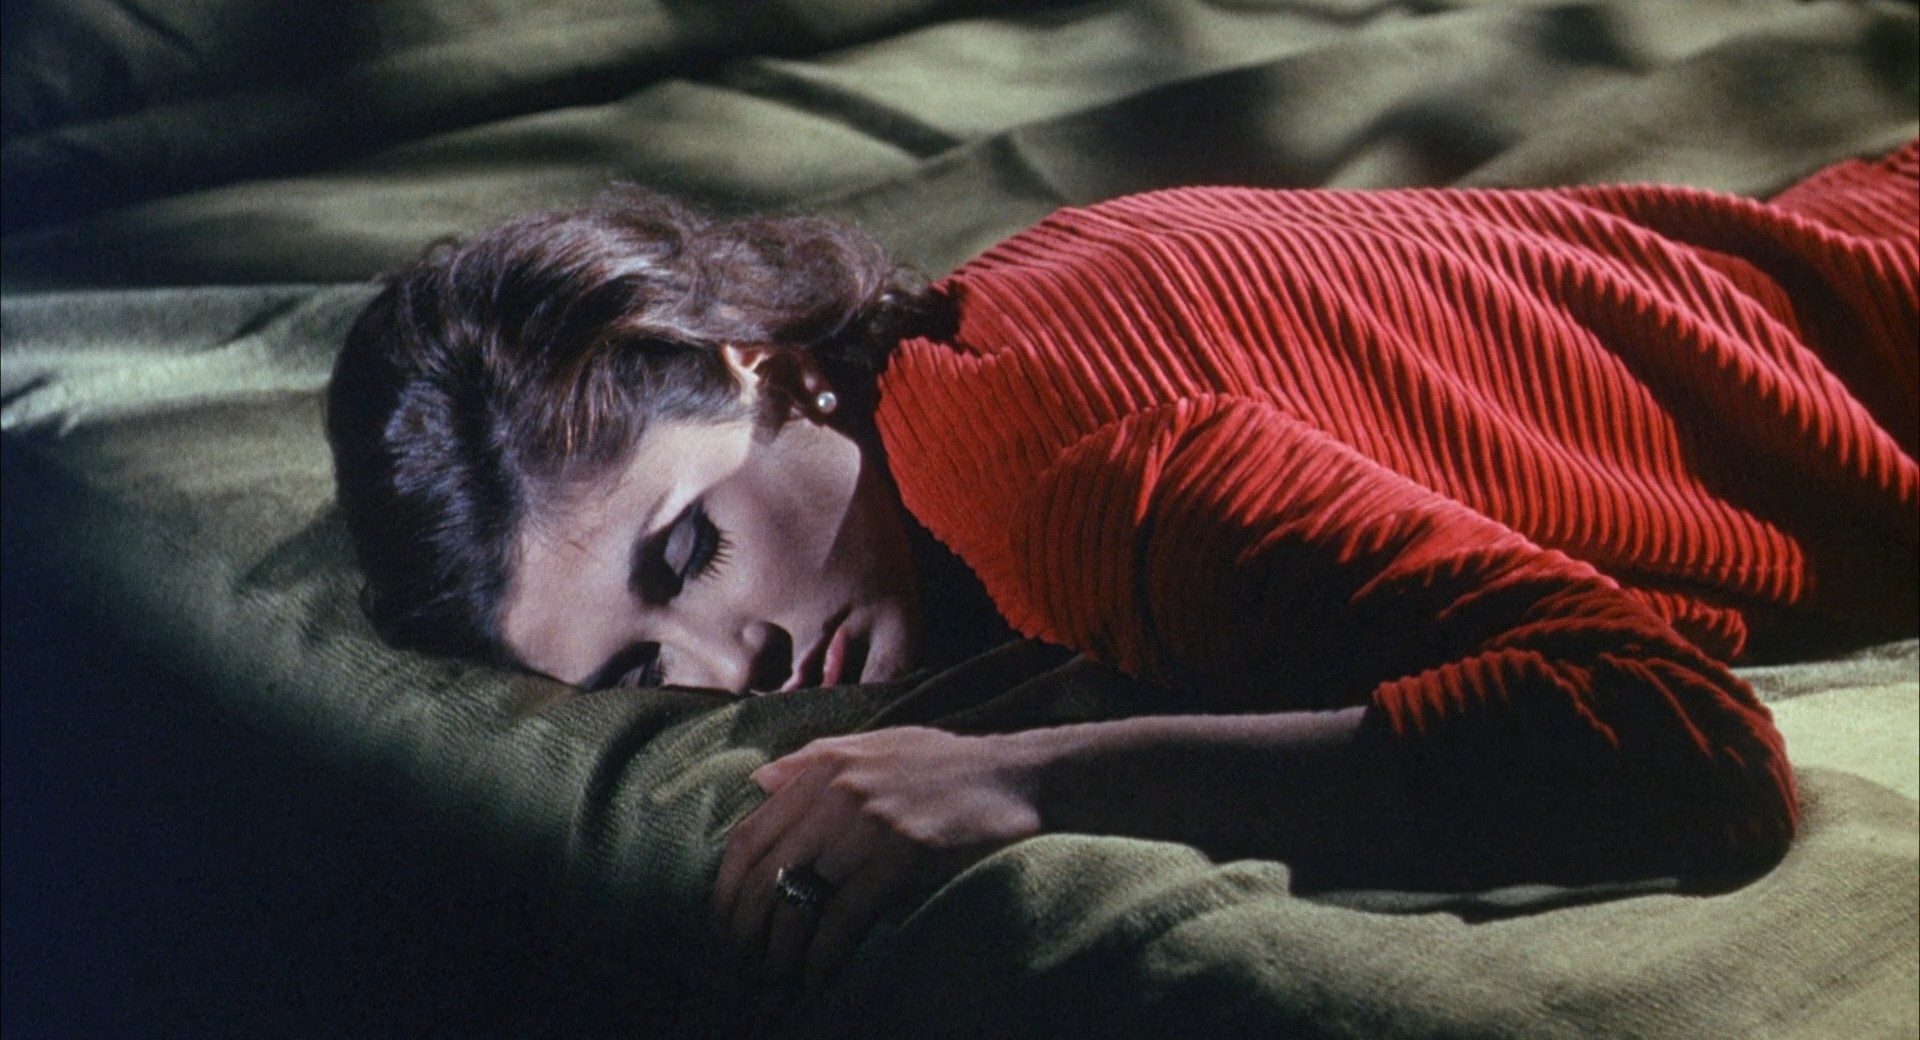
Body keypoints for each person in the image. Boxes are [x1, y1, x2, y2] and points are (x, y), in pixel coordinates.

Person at [325, 140, 1918, 991]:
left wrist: (1032, 779)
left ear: (774, 373)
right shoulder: (996, 304)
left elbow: (1684, 744)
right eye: (634, 667)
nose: (728, 661)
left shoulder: (1064, 499)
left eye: (688, 549)